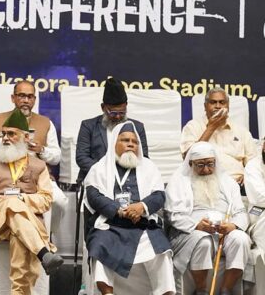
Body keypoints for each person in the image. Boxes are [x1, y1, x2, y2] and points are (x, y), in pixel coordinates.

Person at [0, 108, 63, 295]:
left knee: (18, 231)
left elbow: (46, 199)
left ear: (26, 137)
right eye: (3, 134)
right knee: (12, 204)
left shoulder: (39, 165)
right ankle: (44, 253)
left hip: (25, 224)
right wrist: (6, 200)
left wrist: (21, 199)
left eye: (11, 134)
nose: (5, 138)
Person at [84, 121, 174, 295]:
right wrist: (118, 210)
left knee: (161, 249)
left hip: (142, 224)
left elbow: (159, 195)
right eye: (125, 140)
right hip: (111, 224)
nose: (131, 144)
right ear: (114, 143)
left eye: (135, 141)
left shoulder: (149, 166)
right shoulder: (100, 168)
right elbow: (94, 195)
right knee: (99, 243)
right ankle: (107, 292)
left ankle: (165, 292)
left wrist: (141, 206)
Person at [0, 80, 67, 234]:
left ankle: (47, 234)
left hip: (38, 177)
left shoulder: (46, 123)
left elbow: (56, 158)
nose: (26, 100)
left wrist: (41, 150)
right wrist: (9, 138)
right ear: (13, 98)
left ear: (34, 99)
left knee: (59, 201)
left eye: (30, 97)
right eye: (21, 96)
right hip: (4, 175)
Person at [165, 141, 250, 295]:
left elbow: (241, 211)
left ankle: (226, 289)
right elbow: (173, 214)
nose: (206, 170)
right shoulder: (178, 182)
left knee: (241, 239)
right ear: (190, 164)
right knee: (204, 241)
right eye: (200, 165)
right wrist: (197, 225)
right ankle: (202, 290)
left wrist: (232, 226)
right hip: (191, 230)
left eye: (210, 164)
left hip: (224, 231)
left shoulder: (228, 182)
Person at [76, 77, 149, 184]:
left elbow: (144, 158)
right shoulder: (88, 126)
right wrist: (106, 172)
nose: (118, 117)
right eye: (113, 113)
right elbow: (82, 158)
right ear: (103, 107)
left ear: (126, 106)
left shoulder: (137, 127)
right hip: (96, 179)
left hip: (129, 181)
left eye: (122, 112)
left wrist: (122, 175)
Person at [181, 87, 257, 185]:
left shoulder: (241, 131)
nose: (218, 106)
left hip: (237, 183)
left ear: (228, 106)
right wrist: (211, 128)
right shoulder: (193, 126)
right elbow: (188, 159)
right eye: (213, 102)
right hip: (205, 182)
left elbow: (254, 163)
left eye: (222, 102)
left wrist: (247, 176)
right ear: (205, 106)